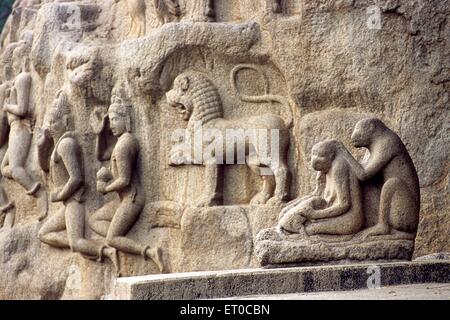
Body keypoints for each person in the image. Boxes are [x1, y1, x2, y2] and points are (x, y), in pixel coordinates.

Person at [37, 91, 119, 273]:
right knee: (43, 233)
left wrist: (60, 194)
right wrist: (41, 145)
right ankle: (90, 247)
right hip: (68, 204)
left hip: (75, 202)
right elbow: (44, 167)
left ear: (65, 121)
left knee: (76, 241)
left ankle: (107, 251)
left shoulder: (66, 145)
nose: (49, 126)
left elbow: (77, 178)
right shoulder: (57, 145)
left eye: (53, 122)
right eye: (49, 122)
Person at [89, 95, 165, 272]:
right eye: (111, 121)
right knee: (94, 220)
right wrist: (100, 134)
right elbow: (101, 155)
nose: (112, 124)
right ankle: (122, 236)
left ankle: (150, 251)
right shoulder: (119, 143)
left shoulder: (125, 144)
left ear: (126, 119)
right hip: (122, 199)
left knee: (111, 239)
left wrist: (105, 188)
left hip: (132, 198)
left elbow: (125, 180)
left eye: (115, 119)